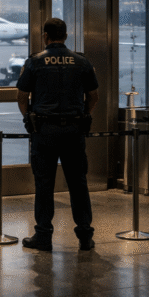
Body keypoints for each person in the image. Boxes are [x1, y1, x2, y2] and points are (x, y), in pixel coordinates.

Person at [16, 17, 99, 252]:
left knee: (44, 184)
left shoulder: (34, 62)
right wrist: (84, 115)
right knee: (78, 183)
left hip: (45, 130)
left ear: (45, 36)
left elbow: (22, 97)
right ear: (65, 36)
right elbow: (94, 96)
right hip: (74, 130)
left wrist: (28, 117)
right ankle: (84, 236)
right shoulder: (82, 62)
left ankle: (43, 236)